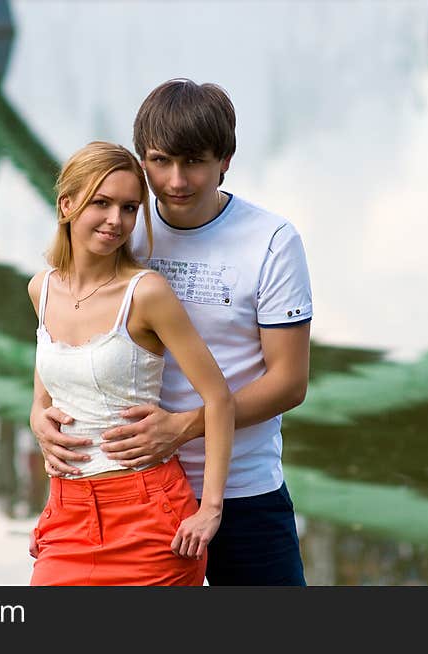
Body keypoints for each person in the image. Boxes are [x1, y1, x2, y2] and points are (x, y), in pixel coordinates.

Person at [31, 80, 313, 586]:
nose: (176, 180)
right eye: (160, 162)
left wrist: (183, 426)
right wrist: (39, 417)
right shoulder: (122, 227)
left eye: (195, 162)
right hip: (130, 492)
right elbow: (63, 336)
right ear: (142, 160)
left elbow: (290, 381)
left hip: (241, 489)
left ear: (225, 159)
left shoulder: (270, 241)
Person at [27, 141, 234, 586]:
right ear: (67, 204)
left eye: (128, 207)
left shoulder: (146, 293)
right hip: (68, 514)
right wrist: (36, 421)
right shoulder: (40, 289)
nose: (115, 221)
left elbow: (219, 398)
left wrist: (210, 510)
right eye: (101, 203)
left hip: (148, 516)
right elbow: (49, 393)